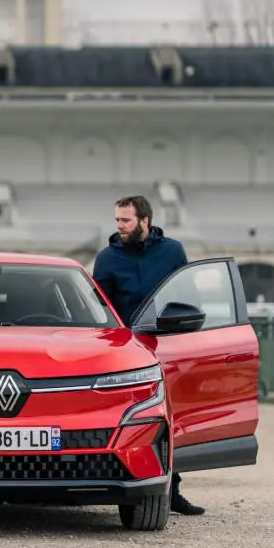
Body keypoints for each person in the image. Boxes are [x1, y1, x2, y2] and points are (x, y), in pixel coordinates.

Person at [92, 194, 205, 517]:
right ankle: (127, 483)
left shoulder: (173, 251)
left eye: (125, 221)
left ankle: (173, 493)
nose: (119, 227)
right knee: (134, 419)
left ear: (145, 221)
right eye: (117, 220)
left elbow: (188, 295)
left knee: (175, 417)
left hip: (170, 344)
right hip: (128, 351)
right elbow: (101, 308)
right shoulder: (106, 258)